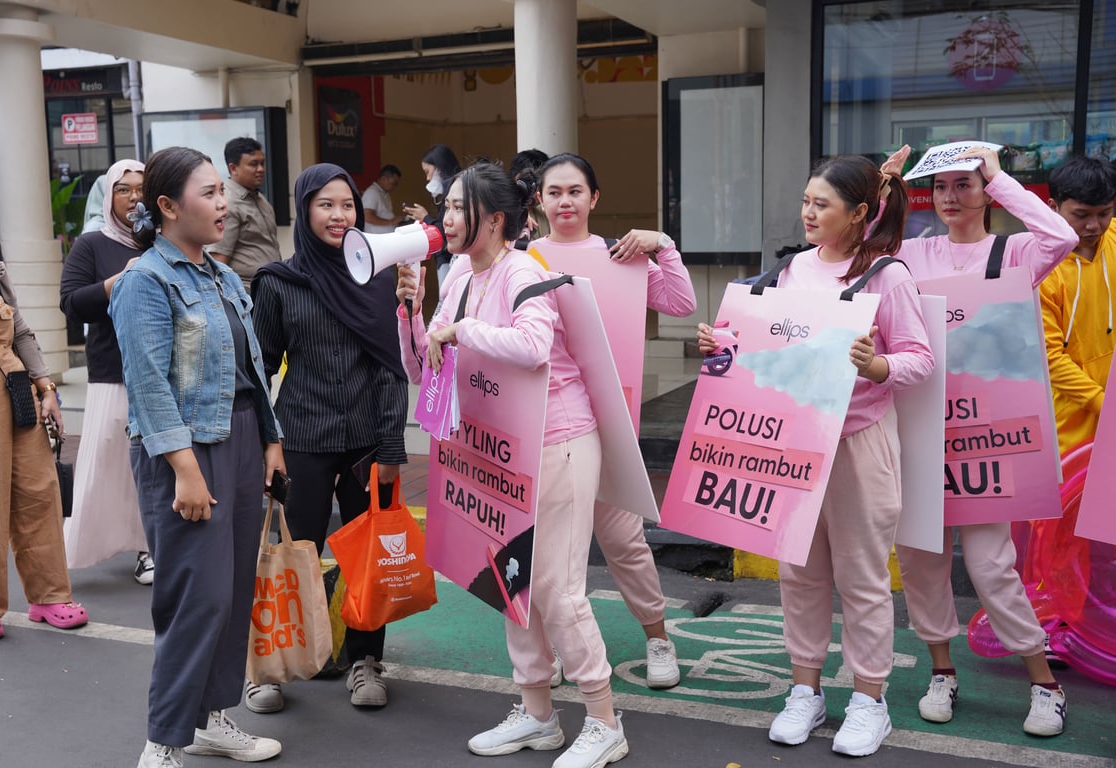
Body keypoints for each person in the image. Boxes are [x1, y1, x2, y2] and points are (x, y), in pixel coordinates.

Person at [699, 154, 933, 756]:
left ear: (858, 214)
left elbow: (919, 357)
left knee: (862, 579)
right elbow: (756, 350)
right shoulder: (788, 271)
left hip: (857, 443)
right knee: (800, 577)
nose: (807, 212)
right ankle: (805, 692)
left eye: (820, 203)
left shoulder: (887, 275)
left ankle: (868, 701)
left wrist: (877, 365)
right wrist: (720, 344)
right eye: (805, 200)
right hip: (791, 442)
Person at [397, 161, 629, 768]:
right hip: (497, 449)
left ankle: (605, 722)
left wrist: (459, 329)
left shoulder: (526, 269)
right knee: (512, 584)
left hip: (558, 442)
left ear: (494, 219)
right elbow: (427, 370)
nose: (444, 219)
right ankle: (537, 714)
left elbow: (531, 348)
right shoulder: (453, 277)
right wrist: (410, 315)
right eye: (444, 207)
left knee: (557, 591)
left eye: (456, 207)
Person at [883, 143, 1077, 738]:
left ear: (984, 190)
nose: (950, 197)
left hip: (986, 435)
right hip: (918, 424)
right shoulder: (910, 253)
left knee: (993, 565)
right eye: (941, 186)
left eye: (964, 185)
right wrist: (887, 187)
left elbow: (1061, 236)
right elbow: (859, 249)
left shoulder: (1014, 251)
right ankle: (942, 670)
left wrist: (999, 177)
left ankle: (1045, 683)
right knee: (921, 559)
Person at [109, 146, 285, 768]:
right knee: (195, 597)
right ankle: (163, 740)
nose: (222, 204)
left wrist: (271, 441)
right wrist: (184, 468)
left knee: (232, 594)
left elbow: (253, 370)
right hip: (183, 451)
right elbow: (149, 383)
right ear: (166, 206)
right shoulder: (143, 282)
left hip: (237, 442)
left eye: (221, 191)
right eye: (209, 193)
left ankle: (210, 718)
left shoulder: (222, 275)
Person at [533, 152, 696, 689]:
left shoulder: (620, 255)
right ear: (539, 200)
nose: (564, 202)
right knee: (545, 546)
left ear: (594, 198)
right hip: (548, 428)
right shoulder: (524, 259)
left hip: (611, 427)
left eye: (575, 191)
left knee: (625, 542)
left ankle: (658, 639)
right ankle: (551, 647)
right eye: (554, 192)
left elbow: (679, 301)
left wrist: (663, 244)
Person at [249, 163, 408, 714]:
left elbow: (393, 367)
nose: (340, 216)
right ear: (304, 210)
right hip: (302, 437)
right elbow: (261, 369)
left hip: (366, 441)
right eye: (326, 205)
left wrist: (391, 448)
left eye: (347, 206)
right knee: (290, 554)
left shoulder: (379, 277)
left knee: (370, 559)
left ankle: (364, 661)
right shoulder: (277, 283)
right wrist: (265, 443)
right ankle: (269, 666)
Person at [0, 186, 89, 643]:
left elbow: (21, 331)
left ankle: (50, 595)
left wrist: (47, 387)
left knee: (40, 491)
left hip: (17, 392)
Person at [60, 159, 153, 585]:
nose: (134, 197)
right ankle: (86, 544)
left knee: (156, 461)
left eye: (141, 189)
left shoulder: (159, 240)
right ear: (108, 196)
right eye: (124, 190)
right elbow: (72, 303)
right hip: (112, 367)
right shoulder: (92, 244)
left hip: (161, 367)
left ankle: (149, 548)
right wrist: (117, 282)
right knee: (109, 461)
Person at [1040, 155, 1116, 454]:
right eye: (1081, 215)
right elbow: (1050, 358)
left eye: (1105, 213)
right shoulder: (1040, 266)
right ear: (1052, 208)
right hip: (1069, 417)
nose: (1094, 225)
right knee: (1076, 498)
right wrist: (1104, 404)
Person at [210, 137, 281, 286]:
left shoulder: (260, 199)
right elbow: (218, 261)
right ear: (233, 168)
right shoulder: (227, 203)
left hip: (271, 287)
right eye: (253, 164)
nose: (260, 169)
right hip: (246, 291)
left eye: (262, 163)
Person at [402, 144, 460, 287]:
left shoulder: (451, 187)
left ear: (439, 169)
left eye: (428, 172)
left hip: (450, 257)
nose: (427, 178)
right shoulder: (452, 187)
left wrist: (426, 218)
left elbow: (444, 229)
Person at [510, 148, 551, 241]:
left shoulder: (550, 211)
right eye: (529, 181)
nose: (536, 190)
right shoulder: (501, 211)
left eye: (540, 183)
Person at [361, 164, 403, 234]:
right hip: (376, 238)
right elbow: (367, 216)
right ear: (383, 179)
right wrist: (391, 222)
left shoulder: (385, 193)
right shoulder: (372, 192)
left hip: (386, 235)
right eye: (394, 183)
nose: (395, 187)